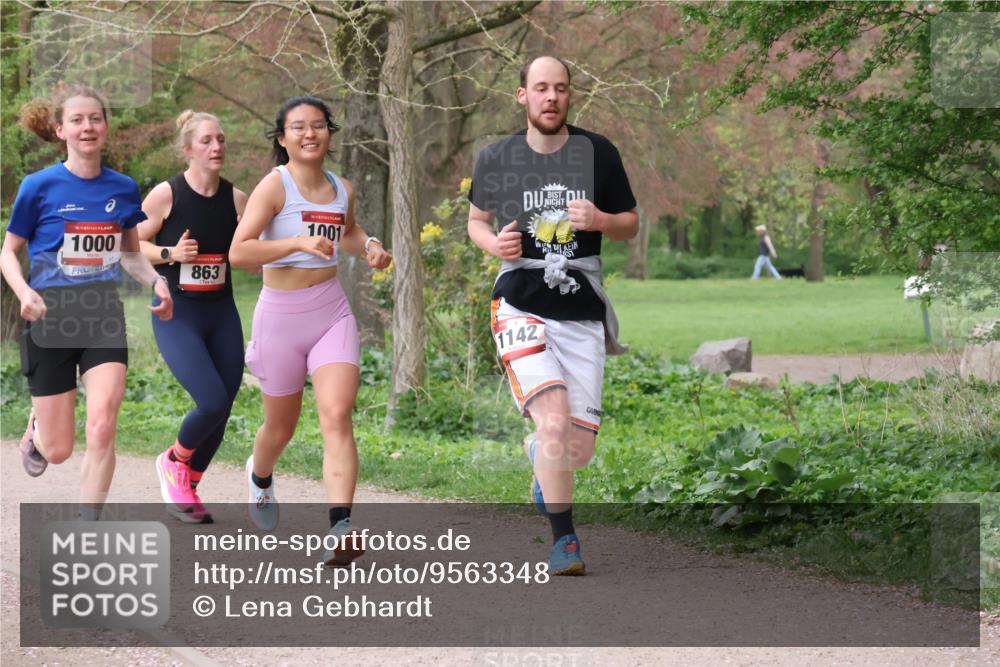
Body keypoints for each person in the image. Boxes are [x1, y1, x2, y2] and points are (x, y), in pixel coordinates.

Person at [467, 56, 638, 575]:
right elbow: (476, 222)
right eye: (541, 88)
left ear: (569, 95)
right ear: (523, 95)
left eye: (560, 88)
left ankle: (541, 453)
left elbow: (630, 223)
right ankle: (565, 540)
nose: (551, 97)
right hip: (519, 299)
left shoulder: (598, 152)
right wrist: (493, 244)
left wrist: (602, 219)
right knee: (555, 420)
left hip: (580, 306)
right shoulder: (498, 156)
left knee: (574, 449)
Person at [229, 96, 391, 565]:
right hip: (279, 319)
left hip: (330, 313)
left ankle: (341, 527)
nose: (309, 134)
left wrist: (370, 245)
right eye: (298, 127)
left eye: (318, 125)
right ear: (283, 138)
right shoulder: (273, 186)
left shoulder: (342, 188)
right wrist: (296, 242)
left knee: (337, 414)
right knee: (280, 428)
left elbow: (348, 231)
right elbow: (239, 252)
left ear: (329, 134)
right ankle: (260, 476)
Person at [1, 84, 173, 517]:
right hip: (51, 316)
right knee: (58, 451)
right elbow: (8, 252)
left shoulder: (123, 188)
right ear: (60, 130)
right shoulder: (38, 186)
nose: (87, 126)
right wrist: (25, 292)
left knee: (102, 425)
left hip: (102, 314)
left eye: (95, 118)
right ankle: (38, 429)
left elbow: (130, 254)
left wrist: (156, 281)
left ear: (106, 127)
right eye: (77, 120)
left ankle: (87, 525)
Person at [138, 110, 248, 524]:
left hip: (222, 312)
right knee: (211, 400)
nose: (216, 146)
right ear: (187, 149)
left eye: (221, 139)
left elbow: (252, 248)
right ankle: (173, 461)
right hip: (177, 312)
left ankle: (188, 483)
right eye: (206, 140)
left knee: (224, 406)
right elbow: (130, 245)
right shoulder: (166, 195)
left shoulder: (238, 200)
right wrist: (170, 253)